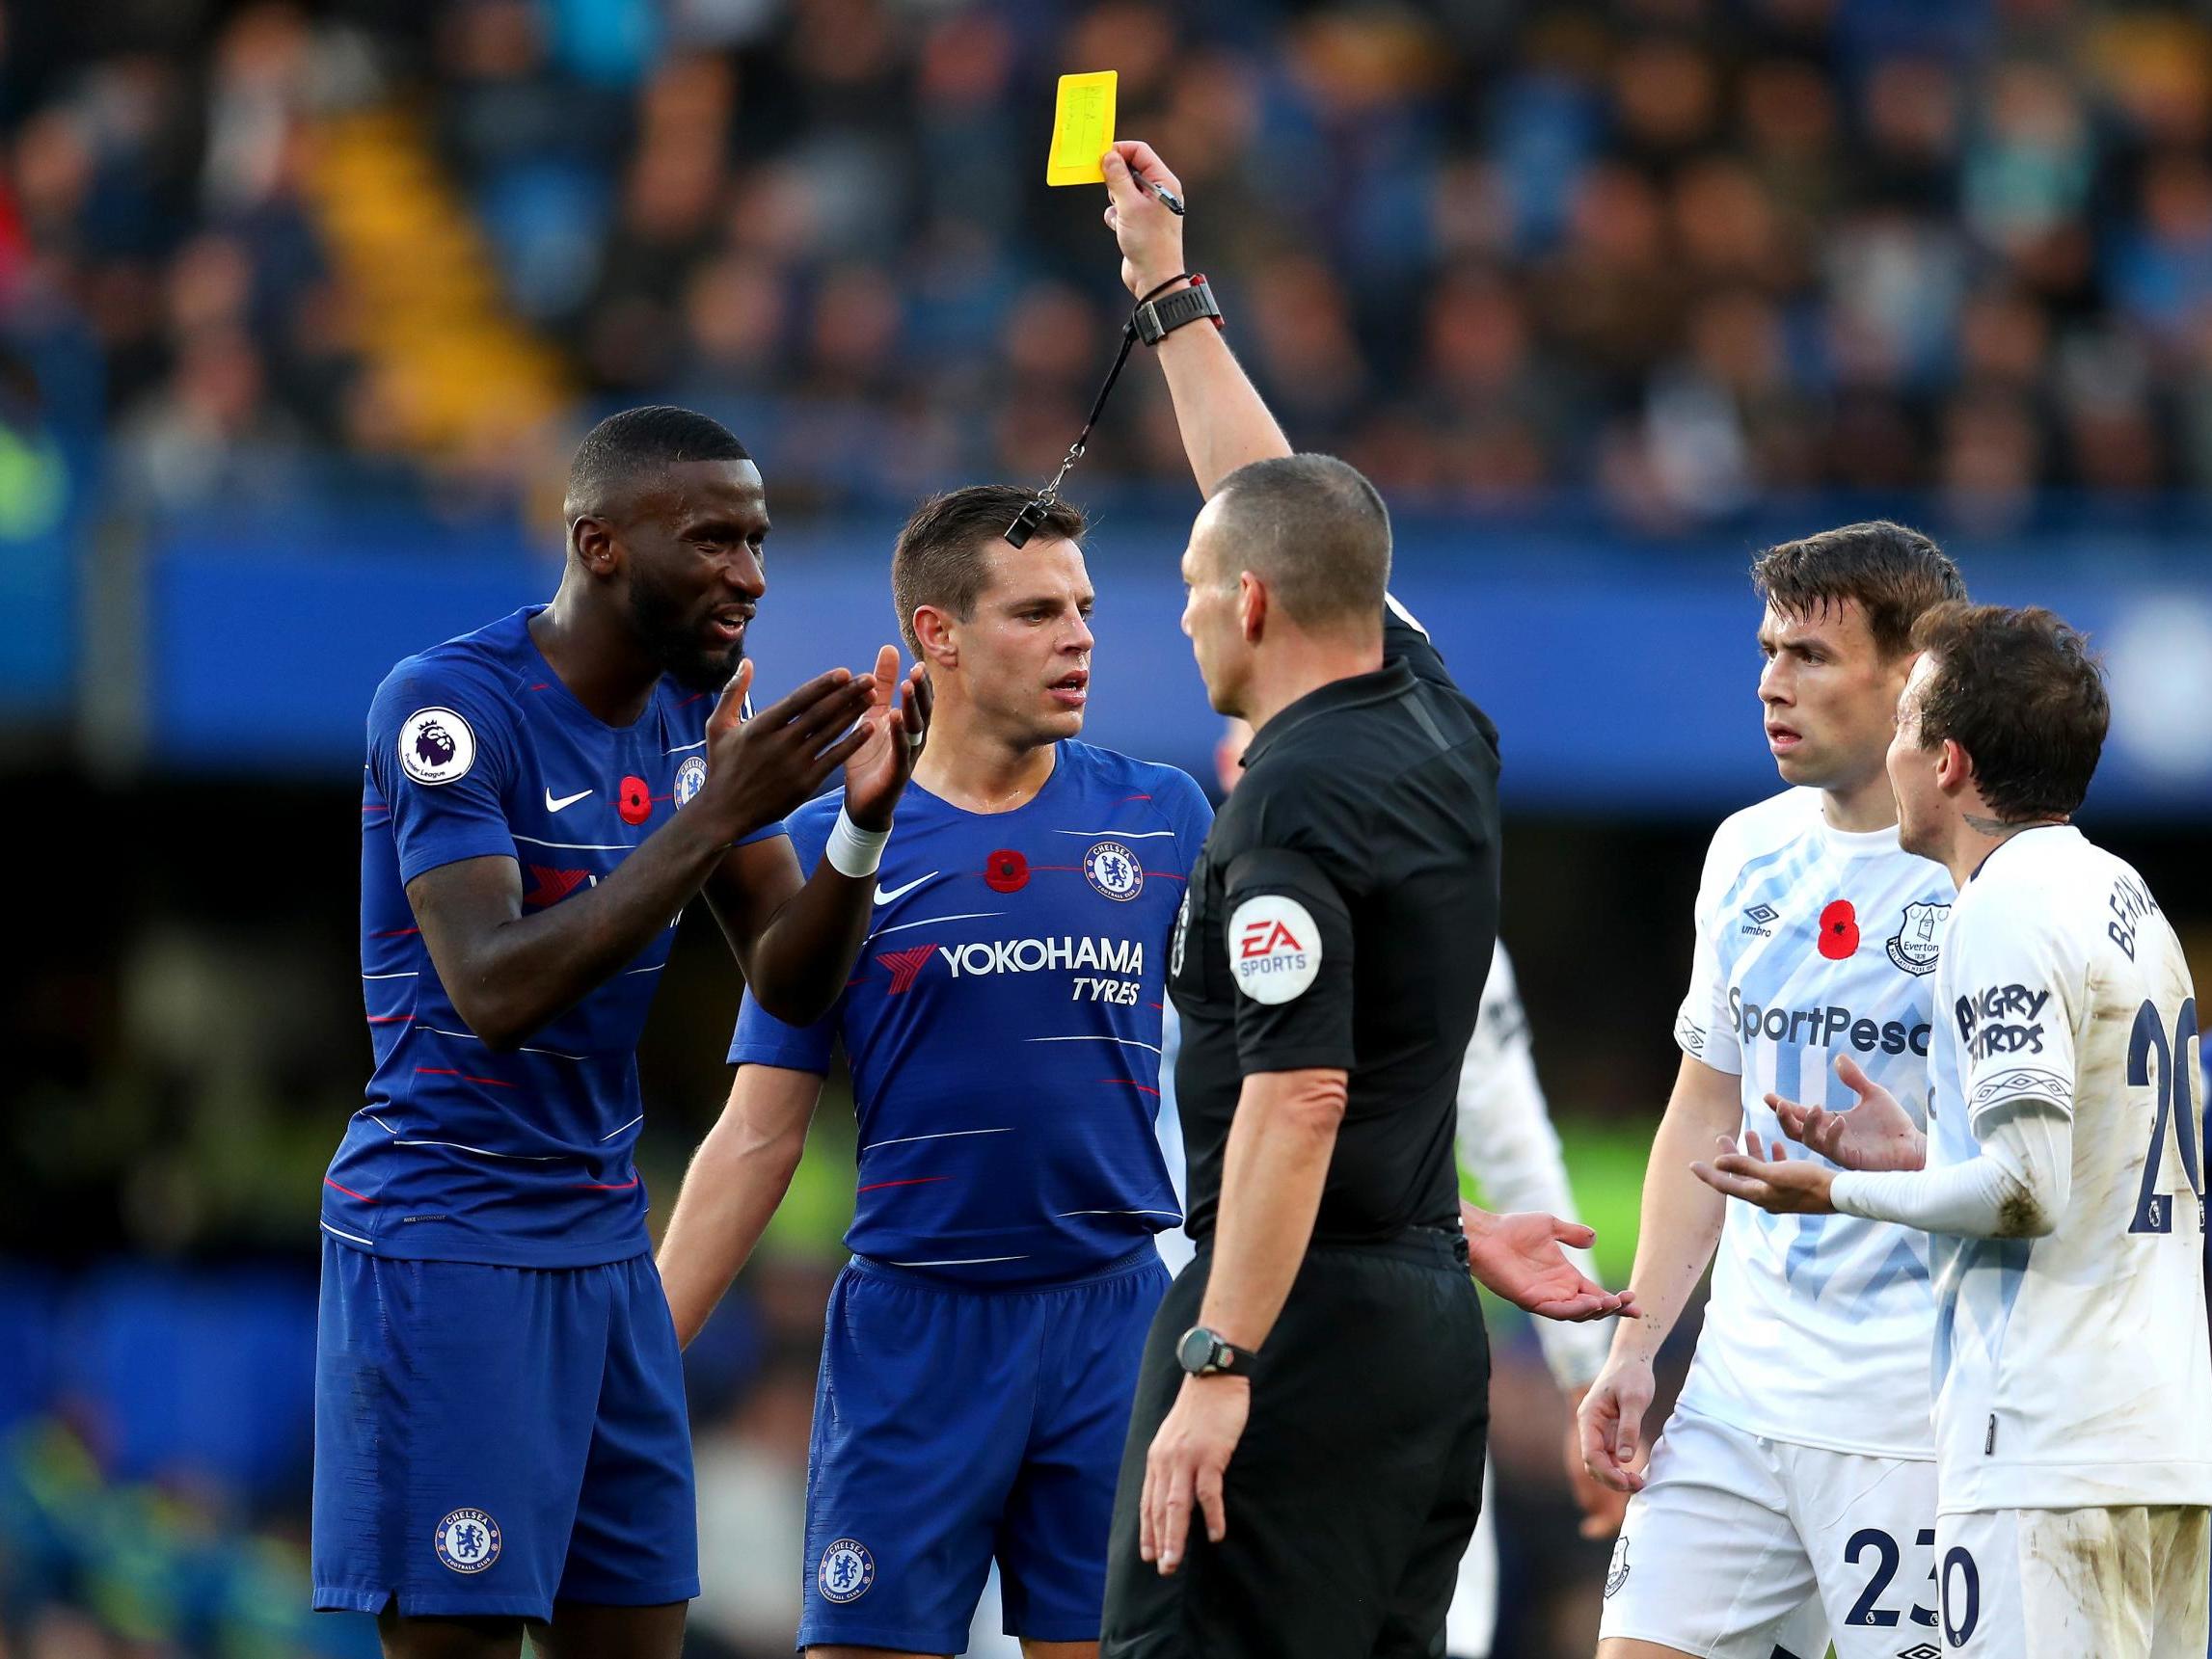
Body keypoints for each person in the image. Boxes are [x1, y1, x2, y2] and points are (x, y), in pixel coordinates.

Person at [1092, 139, 1632, 1659]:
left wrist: (1216, 1356)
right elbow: (1273, 500)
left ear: (1251, 606)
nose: (1186, 608)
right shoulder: (1440, 718)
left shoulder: (1287, 801)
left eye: (1198, 588)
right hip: (1419, 1323)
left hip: (1293, 1329)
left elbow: (1301, 1097)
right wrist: (1165, 290)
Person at [314, 406, 928, 1659]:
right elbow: (490, 987)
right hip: (452, 1238)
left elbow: (791, 983)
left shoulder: (683, 728)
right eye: (712, 541)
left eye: (757, 543)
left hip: (607, 1248)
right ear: (600, 545)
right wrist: (713, 817)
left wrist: (858, 831)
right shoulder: (447, 707)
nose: (749, 576)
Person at [656, 481, 1214, 1659]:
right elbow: (758, 1133)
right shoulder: (833, 846)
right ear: (936, 634)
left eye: (1083, 608)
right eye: (1034, 612)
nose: (1078, 638)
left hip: (1112, 1320)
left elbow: (1272, 1081)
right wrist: (637, 1359)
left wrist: (1450, 1225)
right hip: (916, 1333)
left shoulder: (1162, 816)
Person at [1693, 601, 2212, 1658]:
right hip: (2157, 1440)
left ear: (1950, 762)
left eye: (1905, 726)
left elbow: (2023, 1191)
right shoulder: (2124, 893)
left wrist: (1831, 1189)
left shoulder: (2003, 903)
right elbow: (2084, 1159)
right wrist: (1925, 1156)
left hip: (2044, 1448)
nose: (1888, 751)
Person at [1576, 523, 1969, 1659]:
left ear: (1908, 677)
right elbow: (1705, 1107)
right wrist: (1634, 1345)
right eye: (1766, 650)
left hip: (1912, 1417)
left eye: (1806, 656)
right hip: (1735, 1402)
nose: (1767, 683)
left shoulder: (1985, 876)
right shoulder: (1744, 850)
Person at [1197, 717, 1625, 1659]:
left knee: (1418, 1620)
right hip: (1198, 1348)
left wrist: (1582, 1377)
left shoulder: (1448, 933)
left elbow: (1516, 1152)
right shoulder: (1165, 920)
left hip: (1368, 1340)